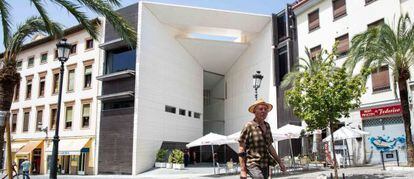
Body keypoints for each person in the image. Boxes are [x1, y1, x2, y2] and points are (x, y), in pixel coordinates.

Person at [238, 99, 286, 179]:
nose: (263, 111)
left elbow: (270, 146)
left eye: (265, 109)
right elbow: (241, 148)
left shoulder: (267, 126)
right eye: (260, 109)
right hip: (253, 163)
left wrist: (280, 162)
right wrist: (243, 170)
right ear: (254, 111)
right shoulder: (248, 126)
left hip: (265, 163)